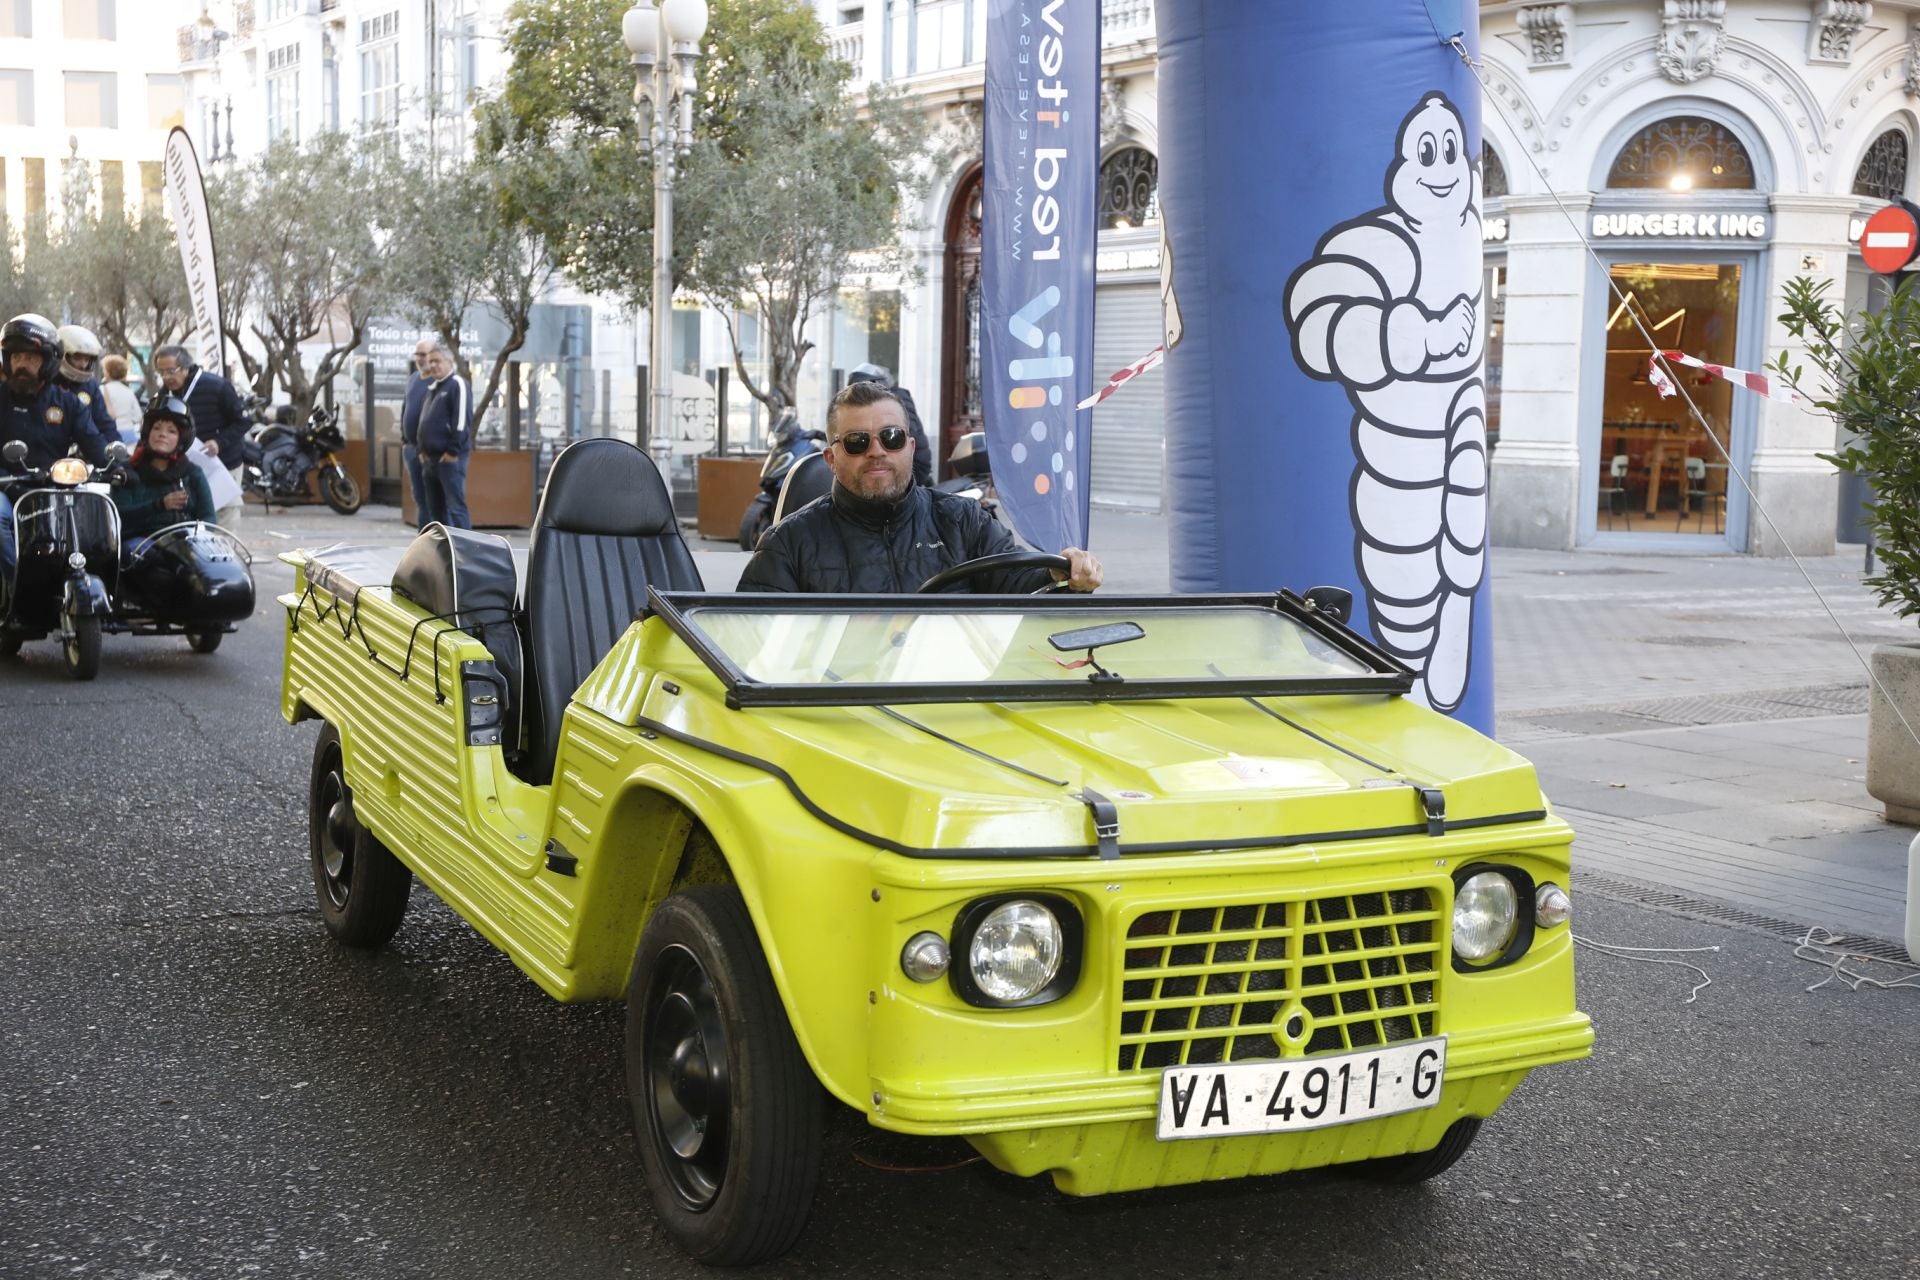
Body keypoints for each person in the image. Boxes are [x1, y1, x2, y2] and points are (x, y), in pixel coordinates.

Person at [738, 379, 1101, 593]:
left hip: (956, 709)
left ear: (910, 448)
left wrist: (1062, 574)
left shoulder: (965, 522)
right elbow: (749, 647)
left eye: (892, 437)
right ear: (831, 459)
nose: (877, 452)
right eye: (857, 442)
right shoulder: (787, 544)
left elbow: (1027, 587)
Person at [0, 314, 107, 581]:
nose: (22, 364)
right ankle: (15, 590)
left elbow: (94, 442)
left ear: (48, 362)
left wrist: (119, 466)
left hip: (53, 488)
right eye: (16, 358)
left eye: (30, 358)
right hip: (5, 486)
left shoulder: (68, 403)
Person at [151, 343, 249, 529]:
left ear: (186, 367)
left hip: (223, 464)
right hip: (189, 466)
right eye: (161, 372)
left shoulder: (217, 386)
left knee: (224, 517)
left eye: (171, 371)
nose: (166, 377)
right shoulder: (165, 394)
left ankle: (225, 556)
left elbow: (243, 421)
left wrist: (219, 442)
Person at [111, 396, 215, 539]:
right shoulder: (127, 472)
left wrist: (196, 533)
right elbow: (118, 515)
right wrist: (159, 505)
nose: (162, 434)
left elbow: (209, 517)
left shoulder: (192, 473)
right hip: (139, 546)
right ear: (147, 433)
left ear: (181, 438)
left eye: (171, 431)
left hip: (185, 544)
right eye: (157, 428)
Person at [846, 362, 933, 489]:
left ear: (876, 384)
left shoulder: (897, 400)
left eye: (862, 389)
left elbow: (904, 432)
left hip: (915, 467)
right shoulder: (882, 402)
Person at [416, 342, 473, 530]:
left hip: (449, 460)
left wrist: (452, 452)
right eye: (430, 361)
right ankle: (444, 552)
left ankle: (466, 552)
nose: (432, 365)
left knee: (456, 509)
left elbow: (461, 422)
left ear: (449, 362)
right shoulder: (433, 388)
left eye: (437, 361)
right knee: (436, 513)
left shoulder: (457, 384)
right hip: (429, 461)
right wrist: (420, 450)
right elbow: (423, 421)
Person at [53, 324, 120, 459]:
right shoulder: (47, 382)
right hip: (52, 454)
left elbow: (103, 422)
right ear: (61, 354)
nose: (83, 364)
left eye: (87, 359)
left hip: (85, 453)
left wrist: (118, 454)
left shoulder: (90, 385)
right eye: (77, 358)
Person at [401, 339, 434, 529]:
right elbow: (406, 407)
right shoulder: (413, 379)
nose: (419, 358)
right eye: (417, 354)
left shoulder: (436, 381)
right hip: (410, 448)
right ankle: (423, 539)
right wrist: (404, 440)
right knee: (419, 497)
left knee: (431, 498)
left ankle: (432, 539)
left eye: (423, 354)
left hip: (428, 452)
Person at [99, 354, 144, 443]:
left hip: (108, 434)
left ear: (107, 372)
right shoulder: (129, 391)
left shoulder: (101, 390)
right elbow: (138, 416)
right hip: (129, 434)